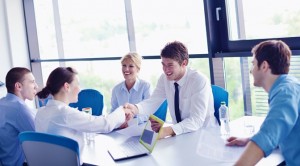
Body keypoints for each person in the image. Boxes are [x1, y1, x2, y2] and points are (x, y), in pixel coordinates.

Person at [35, 67, 134, 164]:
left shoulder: (40, 112)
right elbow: (105, 125)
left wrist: (118, 122)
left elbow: (94, 122)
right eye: (77, 84)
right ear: (67, 86)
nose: (79, 89)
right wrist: (122, 110)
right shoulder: (65, 113)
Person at [226, 40, 300, 165]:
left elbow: (268, 134)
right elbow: (278, 129)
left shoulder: (285, 92)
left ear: (264, 66)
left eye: (253, 64)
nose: (251, 70)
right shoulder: (288, 85)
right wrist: (249, 140)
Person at [124, 41, 217, 139]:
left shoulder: (199, 80)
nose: (165, 69)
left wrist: (167, 130)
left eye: (170, 65)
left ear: (184, 63)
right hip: (180, 135)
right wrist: (135, 108)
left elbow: (196, 120)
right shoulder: (164, 79)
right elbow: (153, 101)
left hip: (204, 135)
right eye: (163, 64)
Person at [0, 67, 38, 166]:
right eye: (32, 82)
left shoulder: (2, 102)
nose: (36, 86)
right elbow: (39, 139)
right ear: (18, 86)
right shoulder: (19, 109)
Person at [111, 52, 151, 126]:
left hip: (139, 127)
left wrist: (131, 121)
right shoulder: (116, 89)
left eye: (131, 66)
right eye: (124, 65)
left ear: (138, 69)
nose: (126, 69)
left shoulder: (145, 86)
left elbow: (149, 113)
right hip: (121, 128)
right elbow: (113, 111)